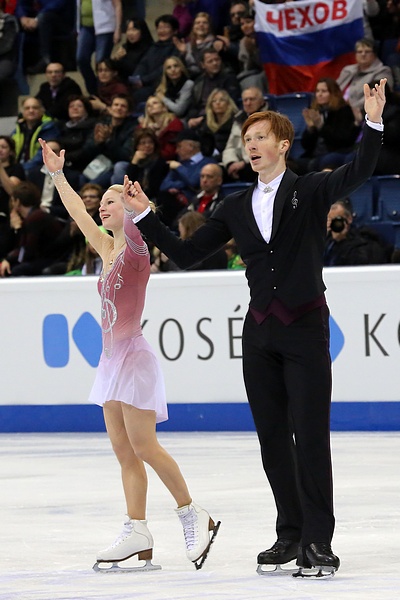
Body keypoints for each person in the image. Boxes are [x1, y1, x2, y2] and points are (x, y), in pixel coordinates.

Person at [127, 79, 388, 578]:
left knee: (310, 438)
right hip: (260, 334)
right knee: (272, 440)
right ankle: (289, 534)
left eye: (260, 137)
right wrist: (146, 215)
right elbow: (185, 256)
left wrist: (372, 123)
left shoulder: (309, 188)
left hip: (306, 329)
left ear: (283, 145)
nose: (250, 144)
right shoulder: (233, 206)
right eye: (247, 139)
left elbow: (361, 170)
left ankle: (319, 542)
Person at [38, 136, 220, 571]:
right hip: (109, 362)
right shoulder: (106, 248)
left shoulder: (137, 254)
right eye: (103, 200)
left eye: (113, 201)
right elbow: (78, 214)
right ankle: (137, 528)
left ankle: (193, 513)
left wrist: (141, 208)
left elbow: (144, 230)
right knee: (123, 450)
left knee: (145, 444)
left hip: (133, 360)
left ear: (131, 210)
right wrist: (58, 175)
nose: (103, 206)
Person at [295, 78, 361, 174]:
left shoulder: (343, 110)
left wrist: (321, 126)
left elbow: (342, 140)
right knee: (292, 165)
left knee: (326, 161)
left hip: (337, 152)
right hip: (314, 155)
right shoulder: (315, 111)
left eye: (324, 91)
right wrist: (311, 128)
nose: (319, 94)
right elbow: (306, 146)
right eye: (317, 91)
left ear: (333, 93)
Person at [0, 180, 63, 276]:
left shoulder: (35, 217)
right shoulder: (34, 215)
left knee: (16, 270)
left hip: (51, 259)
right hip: (45, 257)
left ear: (17, 202)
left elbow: (27, 250)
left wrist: (8, 260)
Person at [157, 129, 217, 227]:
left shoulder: (208, 163)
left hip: (193, 203)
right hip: (175, 203)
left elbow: (195, 181)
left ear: (191, 146)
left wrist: (179, 168)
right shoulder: (179, 163)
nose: (176, 151)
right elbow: (164, 186)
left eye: (179, 146)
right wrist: (184, 184)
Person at [128, 14, 181, 104]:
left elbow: (163, 69)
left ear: (175, 31)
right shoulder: (154, 46)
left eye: (166, 27)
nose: (162, 31)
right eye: (160, 28)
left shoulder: (176, 47)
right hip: (146, 84)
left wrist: (143, 81)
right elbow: (143, 64)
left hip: (162, 85)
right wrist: (136, 78)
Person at [222, 85, 268, 182]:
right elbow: (230, 147)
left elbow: (267, 149)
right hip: (239, 163)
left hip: (261, 162)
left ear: (261, 101)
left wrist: (244, 163)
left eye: (252, 99)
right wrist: (231, 163)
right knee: (217, 172)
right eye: (245, 100)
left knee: (249, 171)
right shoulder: (238, 120)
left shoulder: (271, 119)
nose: (248, 103)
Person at [76, 0, 123, 95]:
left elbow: (117, 4)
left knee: (100, 61)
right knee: (81, 58)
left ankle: (102, 91)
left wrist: (118, 28)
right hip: (85, 27)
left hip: (105, 26)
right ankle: (93, 89)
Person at [186, 48, 241, 127]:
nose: (215, 63)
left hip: (220, 118)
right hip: (200, 118)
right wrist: (191, 119)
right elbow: (193, 105)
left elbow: (231, 103)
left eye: (217, 59)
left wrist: (204, 118)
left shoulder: (229, 78)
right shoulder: (199, 82)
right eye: (210, 61)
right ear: (203, 65)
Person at [324, 200, 388, 266]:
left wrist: (341, 240)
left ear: (349, 219)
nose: (333, 224)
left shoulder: (364, 241)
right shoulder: (325, 242)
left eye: (337, 220)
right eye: (329, 220)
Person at [337, 37, 393, 110]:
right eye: (359, 52)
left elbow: (376, 97)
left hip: (363, 112)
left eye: (367, 51)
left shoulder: (383, 72)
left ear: (374, 54)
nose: (363, 54)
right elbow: (333, 90)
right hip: (337, 110)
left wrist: (351, 108)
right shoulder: (347, 70)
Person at [11, 96, 59, 175]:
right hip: (18, 169)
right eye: (27, 108)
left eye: (35, 108)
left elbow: (42, 156)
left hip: (38, 170)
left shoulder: (49, 128)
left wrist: (20, 170)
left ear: (42, 110)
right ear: (22, 112)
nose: (31, 110)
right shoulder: (18, 129)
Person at [0, 135, 25, 258]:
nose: (0, 150)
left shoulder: (16, 168)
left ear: (11, 151)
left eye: (3, 147)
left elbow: (12, 191)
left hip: (7, 218)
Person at [111, 18, 153, 83]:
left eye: (134, 30)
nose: (130, 33)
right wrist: (115, 58)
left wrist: (121, 61)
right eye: (128, 30)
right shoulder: (125, 47)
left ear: (142, 31)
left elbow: (138, 70)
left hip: (137, 83)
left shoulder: (150, 48)